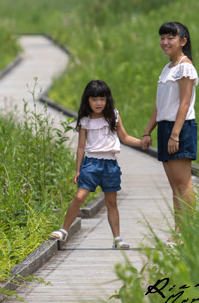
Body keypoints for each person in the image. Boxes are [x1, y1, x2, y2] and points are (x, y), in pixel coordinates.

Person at [50, 79, 142, 249]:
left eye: (102, 98)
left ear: (107, 99)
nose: (98, 103)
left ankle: (117, 238)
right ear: (87, 100)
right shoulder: (85, 120)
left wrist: (142, 142)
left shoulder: (113, 115)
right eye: (94, 99)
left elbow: (125, 137)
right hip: (91, 163)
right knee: (79, 197)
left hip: (110, 165)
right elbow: (81, 147)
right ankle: (64, 230)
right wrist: (78, 170)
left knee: (111, 203)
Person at [141, 22, 199, 244]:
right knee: (175, 185)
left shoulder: (186, 67)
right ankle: (179, 229)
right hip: (166, 127)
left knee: (183, 183)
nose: (165, 42)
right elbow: (160, 105)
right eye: (162, 37)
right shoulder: (167, 68)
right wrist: (148, 132)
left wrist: (175, 135)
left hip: (180, 128)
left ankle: (189, 231)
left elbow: (184, 104)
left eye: (170, 38)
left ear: (183, 41)